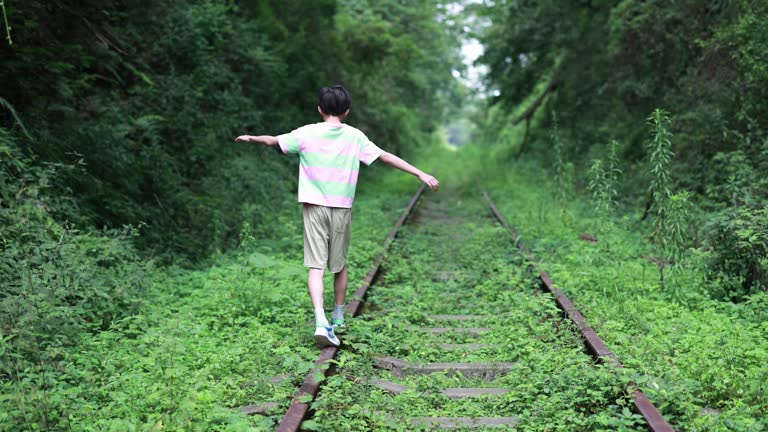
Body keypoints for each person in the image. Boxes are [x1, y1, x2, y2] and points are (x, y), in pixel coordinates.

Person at [235, 85, 439, 348]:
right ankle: (339, 316)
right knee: (339, 263)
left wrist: (251, 138)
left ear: (320, 108)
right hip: (341, 207)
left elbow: (274, 140)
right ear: (347, 111)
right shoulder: (355, 137)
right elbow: (384, 156)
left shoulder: (306, 132)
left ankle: (321, 321)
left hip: (313, 206)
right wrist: (420, 173)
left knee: (315, 267)